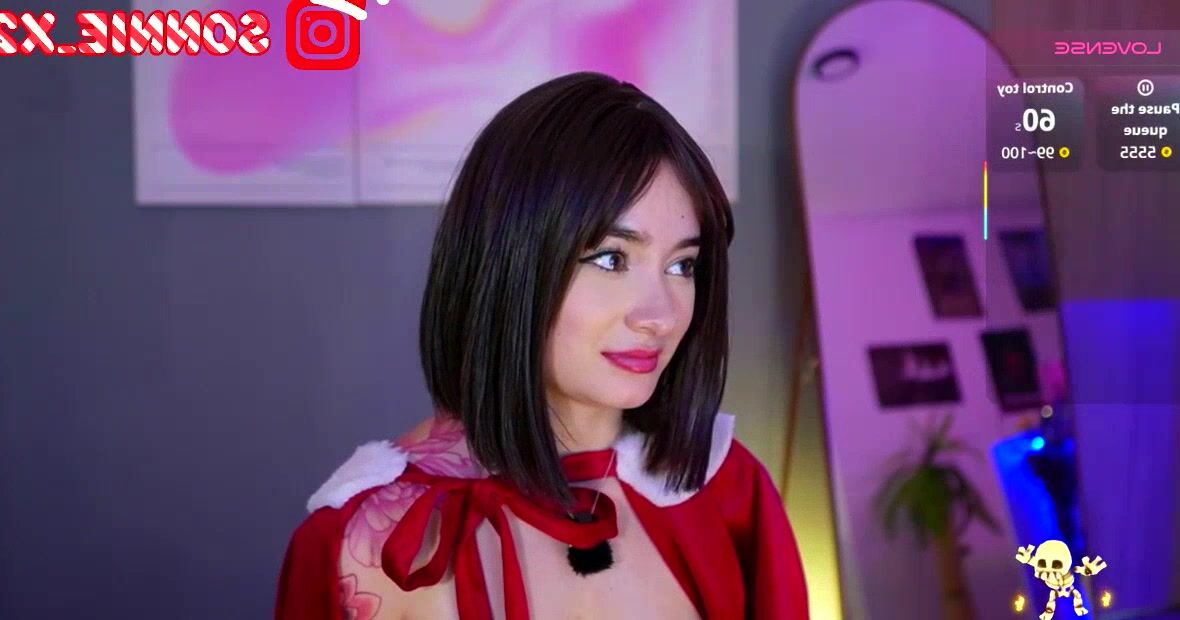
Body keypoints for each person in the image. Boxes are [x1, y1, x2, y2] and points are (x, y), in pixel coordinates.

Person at [274, 71, 809, 619]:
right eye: (611, 259)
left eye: (683, 265)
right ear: (509, 262)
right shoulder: (358, 537)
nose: (660, 316)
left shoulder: (727, 493)